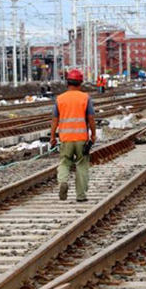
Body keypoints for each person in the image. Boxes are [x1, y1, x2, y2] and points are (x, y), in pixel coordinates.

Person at [50, 69, 97, 201]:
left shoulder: (60, 99)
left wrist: (52, 137)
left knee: (64, 163)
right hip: (81, 138)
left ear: (67, 82)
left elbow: (55, 120)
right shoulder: (85, 97)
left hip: (66, 139)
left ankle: (63, 182)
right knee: (82, 165)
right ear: (80, 83)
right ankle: (81, 196)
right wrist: (93, 135)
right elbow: (91, 118)